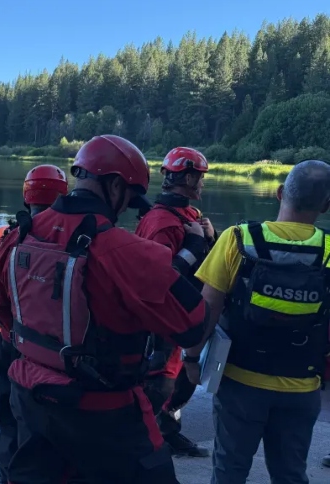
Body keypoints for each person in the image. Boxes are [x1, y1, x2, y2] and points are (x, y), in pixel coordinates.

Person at [0, 134, 209, 484]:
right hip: (104, 412)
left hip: (31, 399)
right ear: (116, 186)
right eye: (130, 199)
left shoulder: (15, 238)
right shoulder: (123, 250)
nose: (126, 210)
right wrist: (197, 253)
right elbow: (193, 324)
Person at [185, 159, 330, 484]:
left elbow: (206, 311)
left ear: (280, 193)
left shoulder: (238, 239)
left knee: (229, 472)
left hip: (240, 384)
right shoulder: (329, 250)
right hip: (302, 387)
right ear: (326, 205)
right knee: (290, 474)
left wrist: (191, 360)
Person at [0, 164, 68, 484]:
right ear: (62, 196)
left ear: (26, 195)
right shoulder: (73, 241)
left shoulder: (1, 238)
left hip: (7, 340)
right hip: (53, 351)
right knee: (47, 423)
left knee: (8, 420)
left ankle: (9, 476)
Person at [135, 147, 214, 458]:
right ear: (189, 178)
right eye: (201, 178)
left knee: (184, 379)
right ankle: (143, 444)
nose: (204, 184)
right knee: (161, 383)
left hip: (187, 314)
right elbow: (155, 279)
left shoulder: (187, 216)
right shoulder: (162, 223)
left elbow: (205, 265)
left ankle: (167, 432)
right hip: (163, 322)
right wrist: (194, 245)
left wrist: (210, 238)